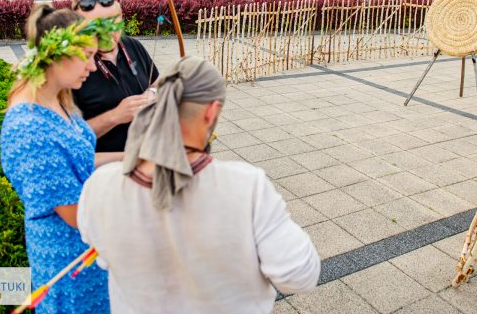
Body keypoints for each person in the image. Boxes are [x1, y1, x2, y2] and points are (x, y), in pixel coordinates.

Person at [77, 56, 321, 314]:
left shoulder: (100, 185)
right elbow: (299, 276)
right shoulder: (246, 186)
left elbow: (103, 257)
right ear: (211, 111)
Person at [0, 4, 124, 314]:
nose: (94, 67)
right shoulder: (28, 128)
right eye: (86, 57)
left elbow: (79, 163)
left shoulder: (59, 100)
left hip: (91, 252)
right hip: (69, 266)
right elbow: (73, 212)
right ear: (56, 56)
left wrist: (132, 157)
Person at [72, 0, 158, 159]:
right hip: (105, 174)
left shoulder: (132, 45)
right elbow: (70, 140)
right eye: (96, 25)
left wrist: (152, 94)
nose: (109, 31)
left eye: (113, 21)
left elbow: (157, 81)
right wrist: (115, 116)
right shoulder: (72, 67)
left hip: (150, 159)